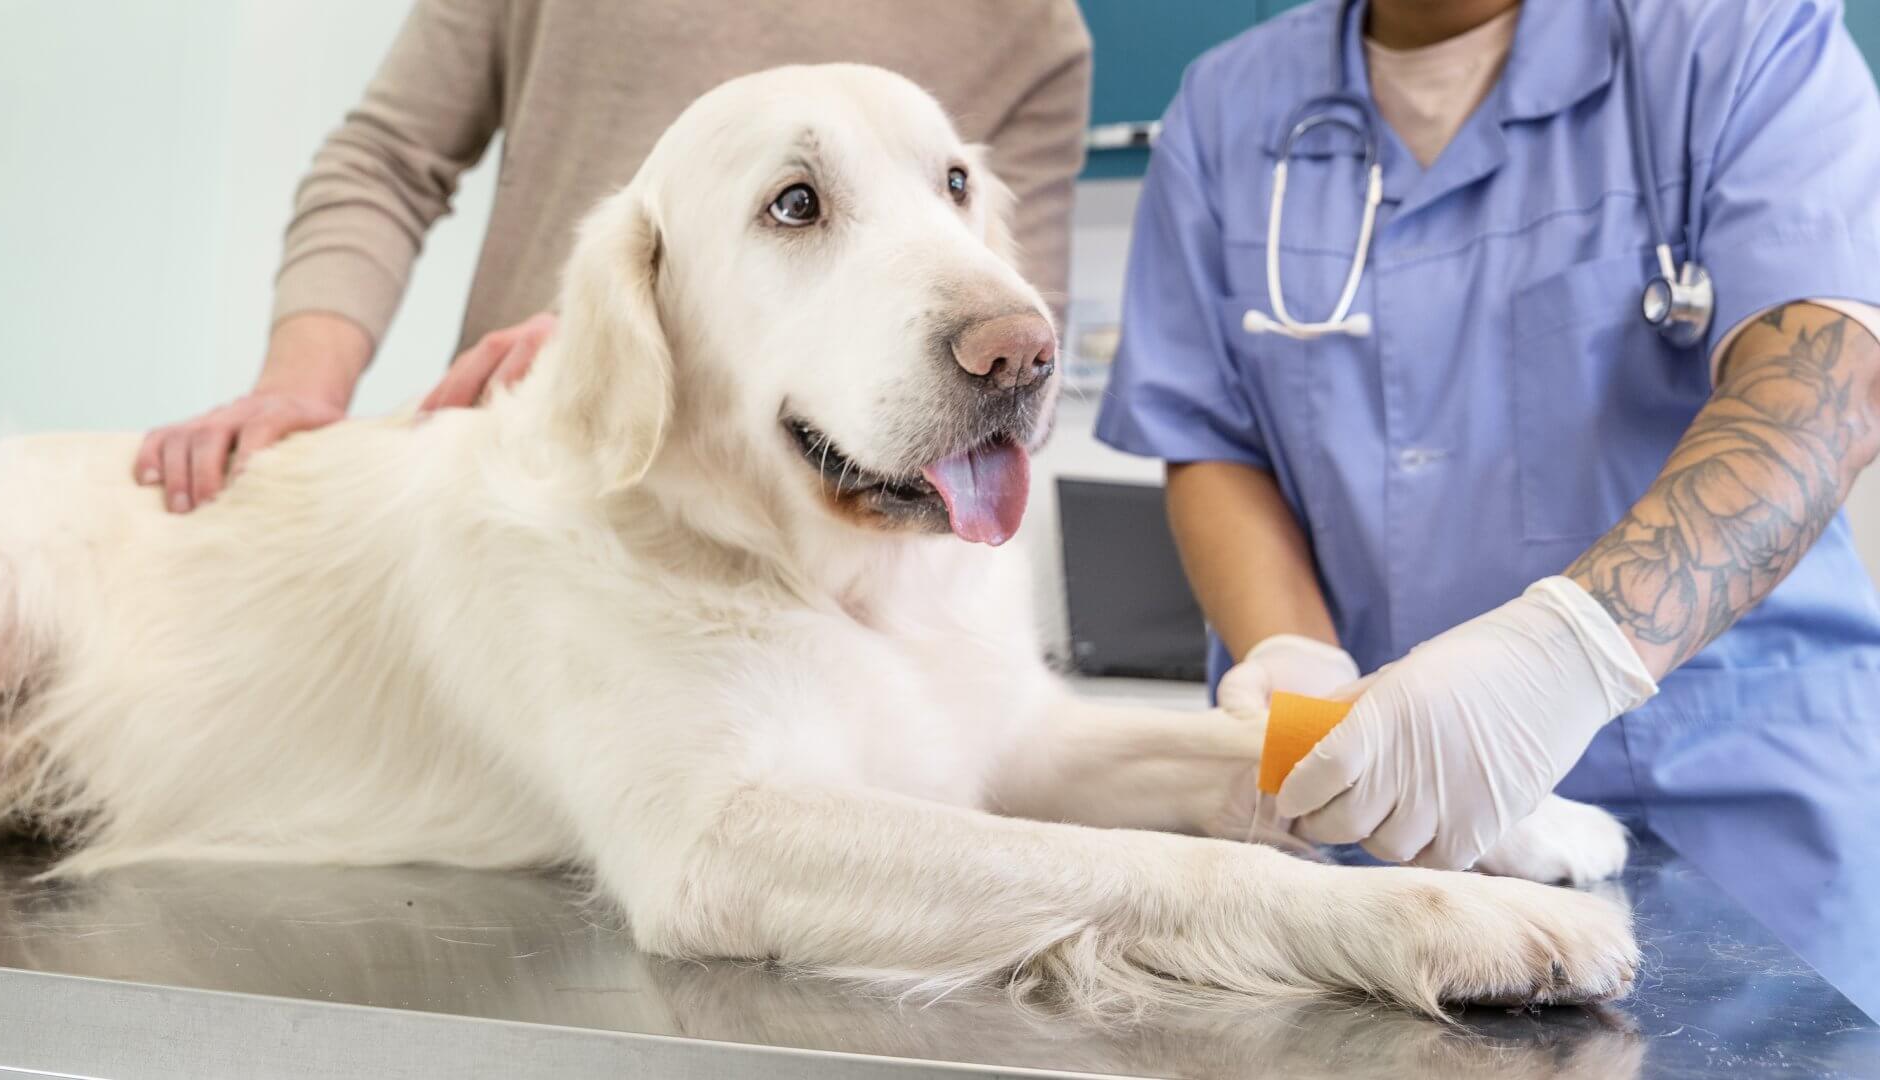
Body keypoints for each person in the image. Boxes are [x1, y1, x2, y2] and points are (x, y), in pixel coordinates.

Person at [1098, 0, 1880, 1015]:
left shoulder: (1738, 36)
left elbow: (1828, 377)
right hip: (1381, 833)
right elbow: (1214, 443)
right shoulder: (1226, 106)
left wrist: (1570, 654)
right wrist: (1297, 667)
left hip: (1742, 822)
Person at [134, 0, 1090, 512]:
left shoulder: (1035, 28)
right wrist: (297, 387)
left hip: (842, 554)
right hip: (544, 479)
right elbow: (388, 159)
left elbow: (1009, 311)